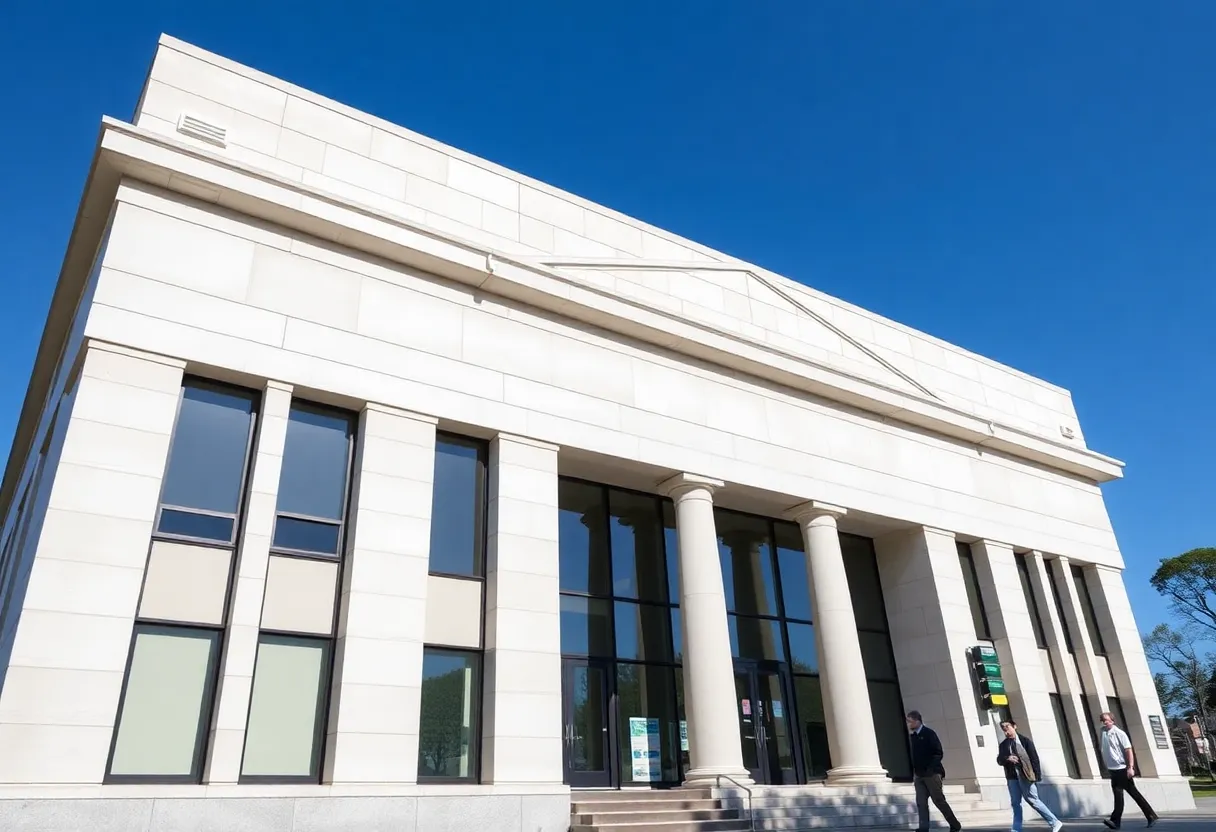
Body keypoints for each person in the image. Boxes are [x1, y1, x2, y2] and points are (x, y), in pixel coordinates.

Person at [997, 719, 1064, 832]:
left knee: (1033, 800)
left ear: (1014, 726)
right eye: (1003, 729)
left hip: (1026, 775)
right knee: (1015, 803)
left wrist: (1036, 776)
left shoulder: (1025, 741)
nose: (1006, 731)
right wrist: (1007, 758)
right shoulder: (1004, 745)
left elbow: (1034, 759)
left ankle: (1054, 822)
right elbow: (999, 760)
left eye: (1007, 727)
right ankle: (1016, 828)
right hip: (1012, 777)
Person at [1099, 711, 1159, 829]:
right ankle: (1117, 822)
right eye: (1103, 720)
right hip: (1113, 769)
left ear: (1112, 720)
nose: (1105, 722)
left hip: (1122, 769)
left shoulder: (1119, 733)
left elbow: (1128, 750)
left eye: (1107, 720)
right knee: (1119, 795)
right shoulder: (1103, 732)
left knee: (1131, 794)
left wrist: (1130, 767)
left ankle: (1149, 816)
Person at [907, 710, 962, 832]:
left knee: (938, 800)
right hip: (919, 774)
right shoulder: (913, 737)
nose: (908, 724)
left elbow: (938, 752)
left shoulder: (929, 734)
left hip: (931, 773)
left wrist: (930, 768)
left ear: (917, 721)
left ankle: (955, 825)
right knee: (921, 802)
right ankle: (923, 827)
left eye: (910, 721)